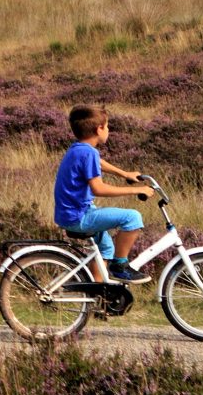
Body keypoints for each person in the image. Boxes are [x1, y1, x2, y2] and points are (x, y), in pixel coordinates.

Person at [54, 104, 149, 283]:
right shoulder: (88, 152)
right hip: (79, 216)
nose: (109, 130)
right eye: (107, 126)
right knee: (132, 218)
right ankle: (120, 266)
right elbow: (98, 189)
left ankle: (99, 296)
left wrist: (125, 174)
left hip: (70, 214)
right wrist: (137, 189)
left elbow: (99, 162)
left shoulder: (78, 148)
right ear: (99, 129)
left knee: (105, 249)